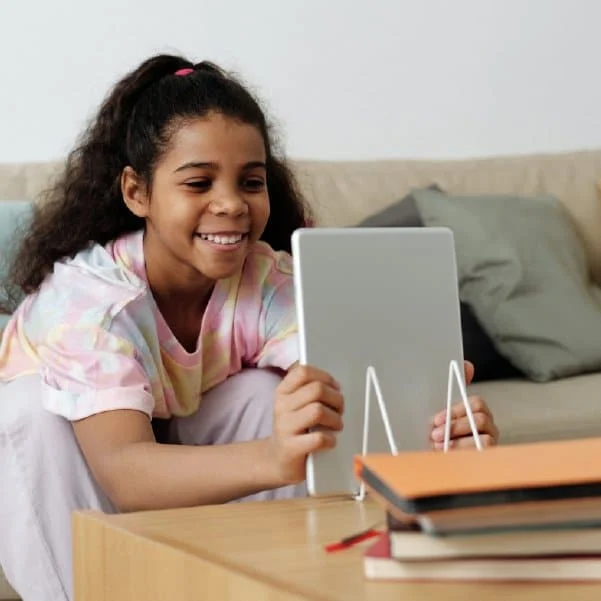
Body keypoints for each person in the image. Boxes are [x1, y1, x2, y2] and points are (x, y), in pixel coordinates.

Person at [0, 54, 499, 601]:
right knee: (26, 412)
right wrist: (271, 458)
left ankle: (266, 587)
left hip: (178, 445)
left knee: (274, 397)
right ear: (137, 192)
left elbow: (356, 385)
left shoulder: (264, 280)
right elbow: (123, 470)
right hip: (75, 468)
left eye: (251, 181)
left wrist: (438, 429)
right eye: (198, 183)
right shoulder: (89, 301)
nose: (231, 204)